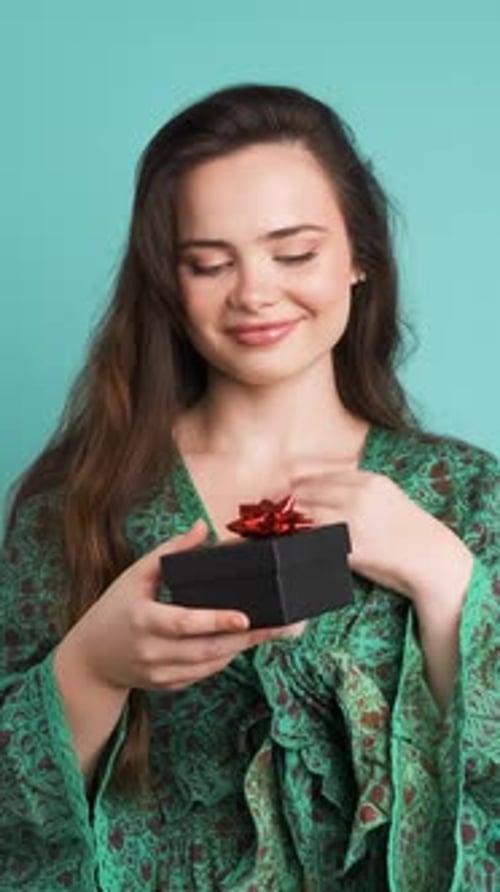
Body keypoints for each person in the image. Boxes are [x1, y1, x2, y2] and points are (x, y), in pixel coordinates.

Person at [0, 83, 497, 892]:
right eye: (208, 263)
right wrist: (91, 668)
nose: (255, 293)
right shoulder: (82, 501)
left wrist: (446, 583)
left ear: (359, 254)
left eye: (294, 253)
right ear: (169, 279)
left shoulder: (466, 495)